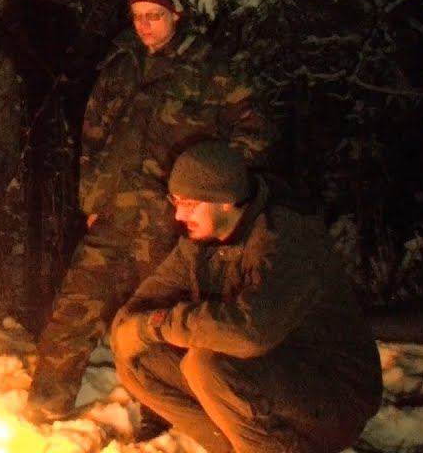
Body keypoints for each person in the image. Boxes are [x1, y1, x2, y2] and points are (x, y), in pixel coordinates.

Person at [28, 0, 271, 420]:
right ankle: (48, 405)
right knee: (75, 305)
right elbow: (94, 135)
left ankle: (166, 417)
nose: (144, 24)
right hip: (115, 214)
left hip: (173, 221)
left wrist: (209, 191)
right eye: (137, 15)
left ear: (177, 15)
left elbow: (254, 136)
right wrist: (93, 200)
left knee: (160, 322)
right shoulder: (121, 66)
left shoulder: (210, 69)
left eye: (154, 15)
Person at [110, 141, 382, 452]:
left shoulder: (286, 240)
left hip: (333, 394)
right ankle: (235, 446)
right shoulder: (200, 240)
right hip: (264, 381)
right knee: (137, 357)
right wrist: (136, 328)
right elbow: (140, 307)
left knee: (208, 364)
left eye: (189, 204)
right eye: (176, 201)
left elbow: (249, 333)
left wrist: (158, 325)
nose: (178, 216)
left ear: (225, 201)